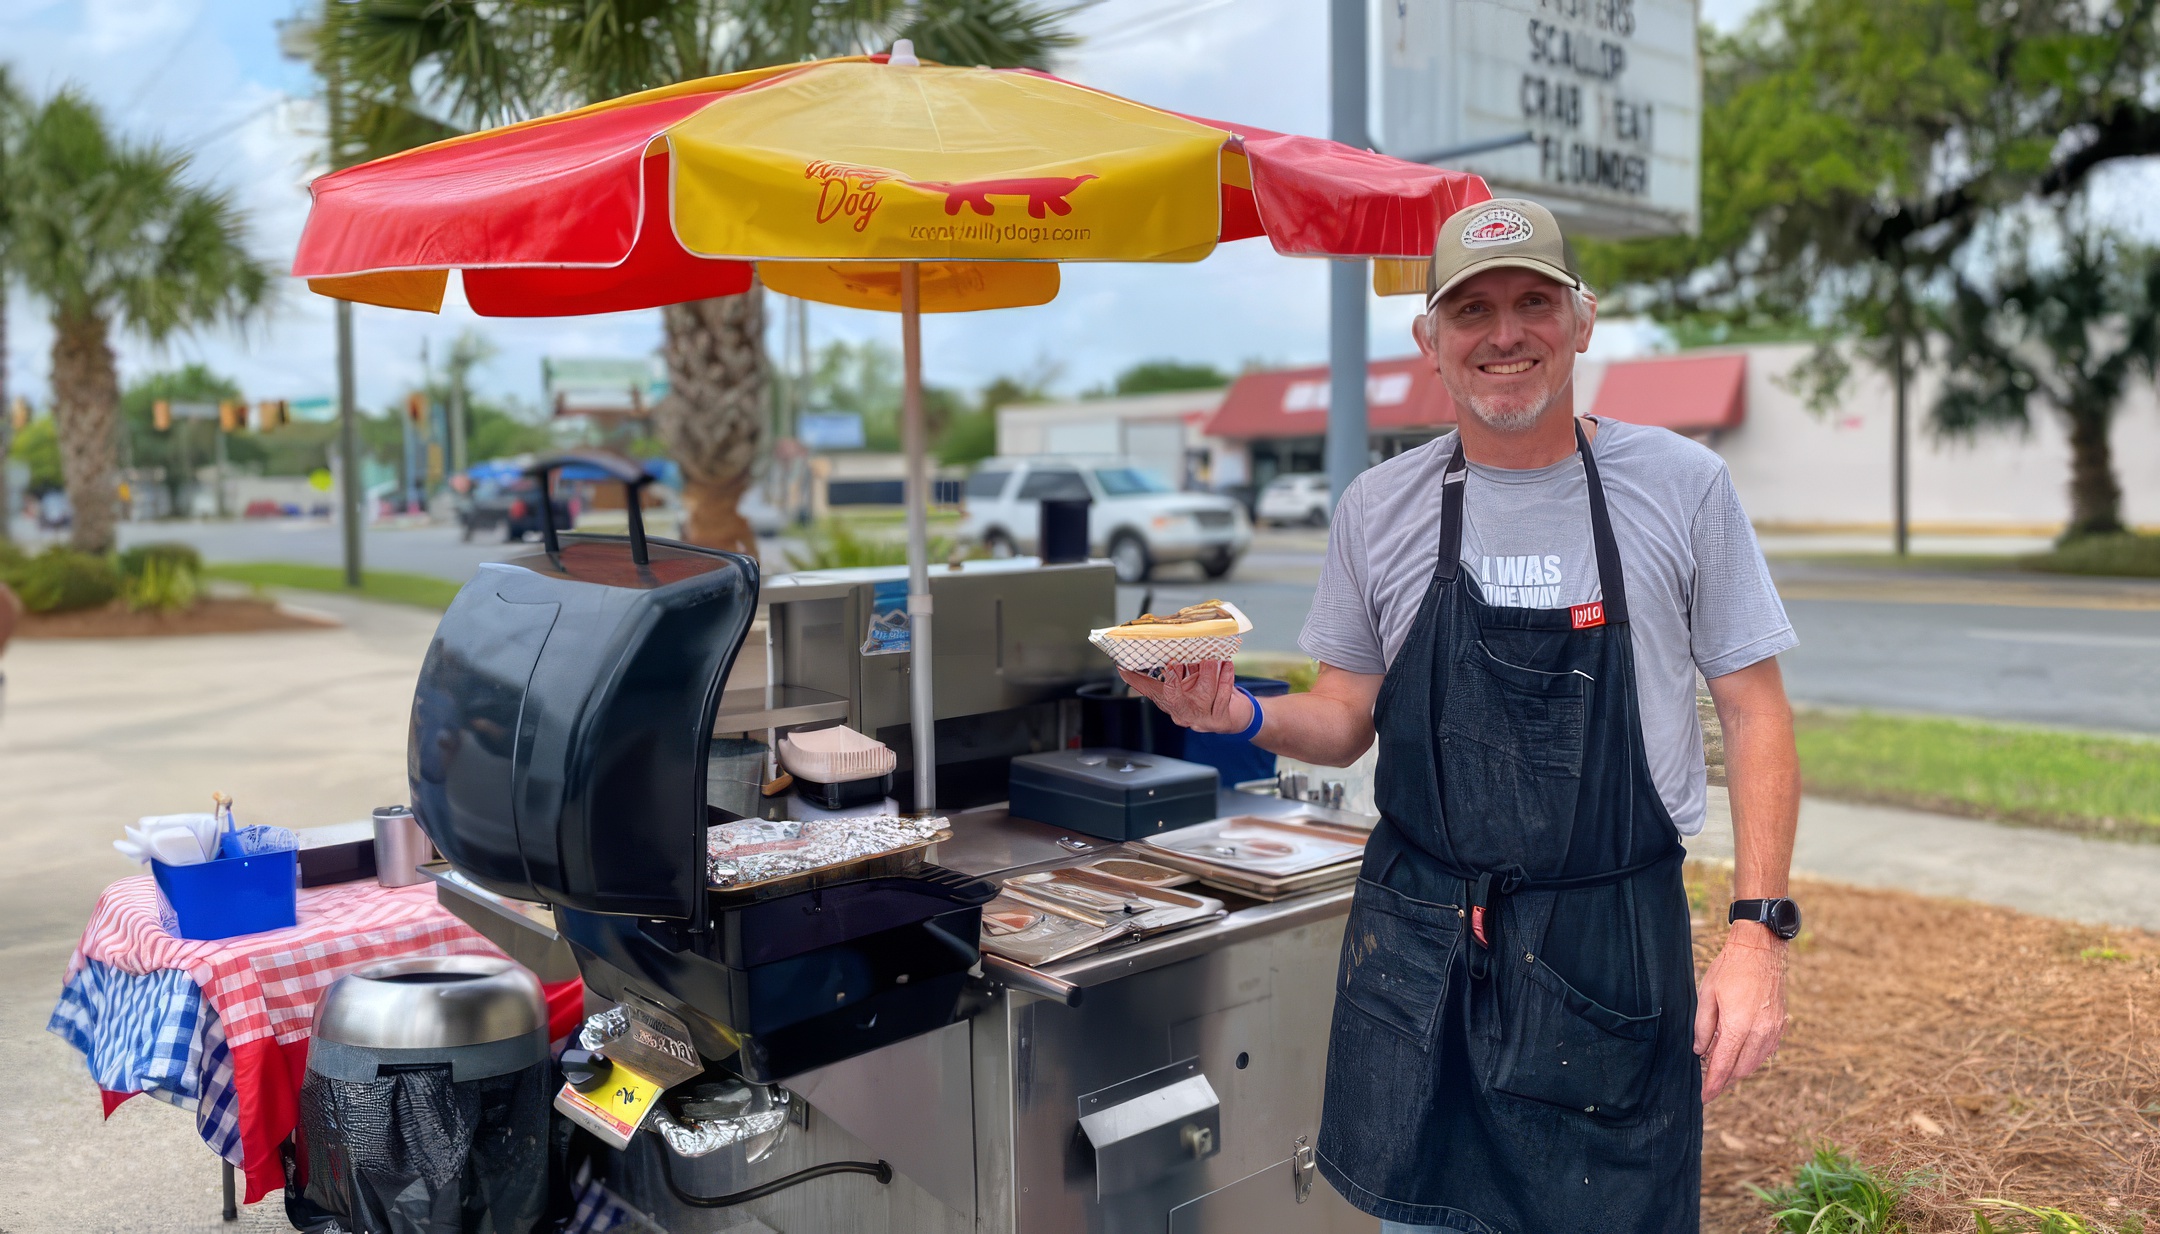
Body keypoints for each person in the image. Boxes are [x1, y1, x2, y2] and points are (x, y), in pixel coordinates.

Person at [1120, 198, 1800, 1233]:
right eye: (1472, 309)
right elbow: (1346, 715)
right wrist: (1238, 713)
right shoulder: (1379, 507)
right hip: (1420, 957)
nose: (1506, 333)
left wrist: (1757, 934)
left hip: (1607, 950)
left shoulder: (1681, 487)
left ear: (1584, 319)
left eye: (1535, 300)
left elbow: (1755, 713)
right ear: (1429, 341)